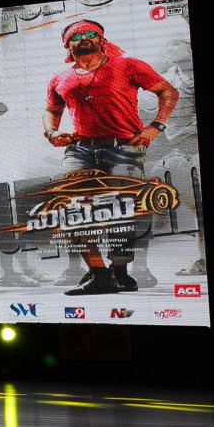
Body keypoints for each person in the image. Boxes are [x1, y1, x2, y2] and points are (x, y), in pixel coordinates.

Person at [42, 18, 181, 296]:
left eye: (91, 33)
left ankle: (120, 272)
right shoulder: (60, 79)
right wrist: (51, 132)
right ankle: (99, 274)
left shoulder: (128, 65)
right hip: (80, 150)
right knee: (72, 208)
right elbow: (51, 110)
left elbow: (168, 91)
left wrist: (156, 126)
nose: (84, 38)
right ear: (68, 45)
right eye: (76, 36)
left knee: (124, 210)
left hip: (124, 147)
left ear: (102, 39)